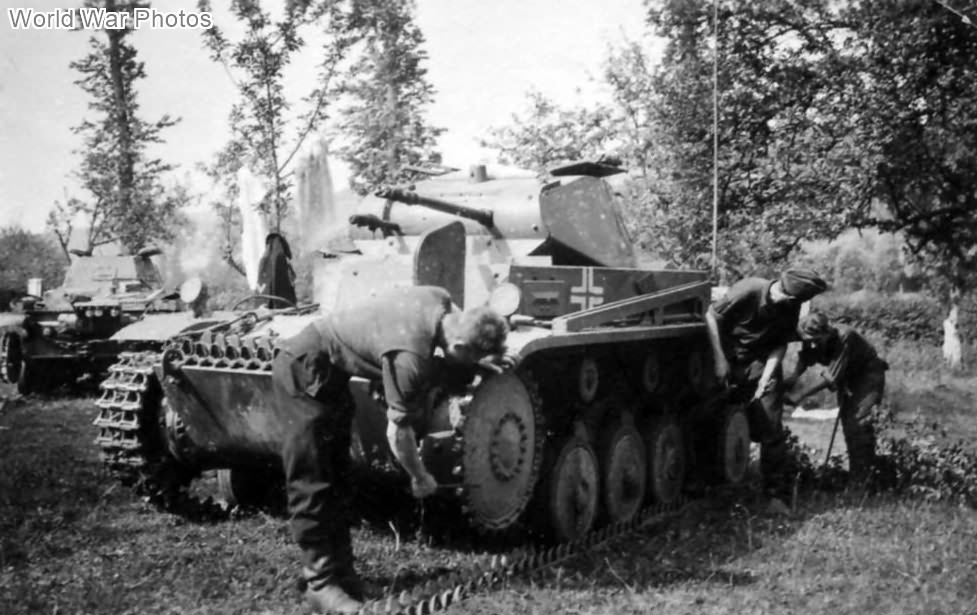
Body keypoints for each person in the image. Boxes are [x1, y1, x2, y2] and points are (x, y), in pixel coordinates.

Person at [271, 285, 510, 614]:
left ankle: (343, 575)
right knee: (313, 481)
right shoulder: (410, 356)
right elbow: (398, 432)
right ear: (457, 345)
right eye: (474, 357)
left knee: (338, 477)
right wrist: (420, 476)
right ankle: (321, 583)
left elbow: (449, 350)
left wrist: (479, 360)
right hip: (303, 370)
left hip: (331, 374)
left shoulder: (439, 299)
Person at [704, 268, 827, 494]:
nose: (791, 304)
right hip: (726, 354)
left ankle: (775, 493)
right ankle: (705, 481)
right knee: (707, 413)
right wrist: (720, 360)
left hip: (761, 361)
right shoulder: (748, 289)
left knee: (771, 426)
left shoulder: (792, 305)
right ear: (784, 290)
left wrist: (767, 376)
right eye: (791, 300)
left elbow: (779, 344)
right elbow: (711, 315)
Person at [783, 312, 888, 481]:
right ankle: (858, 475)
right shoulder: (812, 341)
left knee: (858, 424)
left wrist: (799, 395)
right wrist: (794, 376)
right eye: (809, 341)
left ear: (827, 333)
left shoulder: (844, 336)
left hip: (867, 376)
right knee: (849, 424)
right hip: (848, 377)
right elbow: (806, 357)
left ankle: (864, 480)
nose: (813, 345)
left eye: (816, 341)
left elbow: (831, 377)